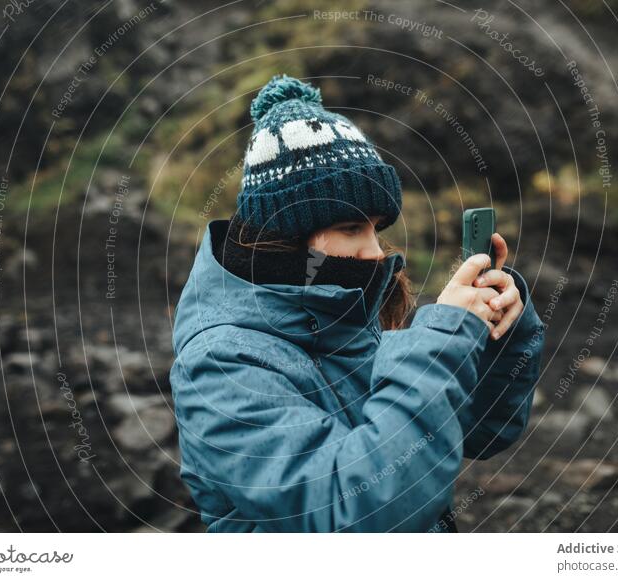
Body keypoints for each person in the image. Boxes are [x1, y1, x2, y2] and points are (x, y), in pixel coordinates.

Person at [170, 74, 546, 532]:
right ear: (287, 238)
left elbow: (482, 432)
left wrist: (490, 334)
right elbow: (355, 512)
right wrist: (445, 338)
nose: (374, 251)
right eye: (352, 228)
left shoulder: (343, 316)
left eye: (376, 228)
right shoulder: (220, 363)